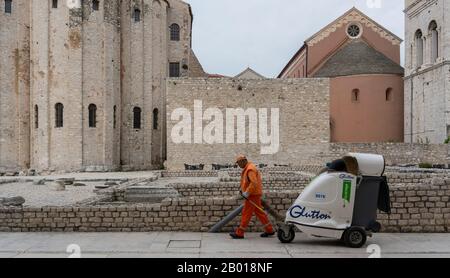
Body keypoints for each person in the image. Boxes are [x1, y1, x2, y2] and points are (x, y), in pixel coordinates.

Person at [229, 155, 275, 239]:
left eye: (238, 163)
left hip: (252, 195)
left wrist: (247, 192)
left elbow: (254, 183)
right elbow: (246, 181)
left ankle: (240, 233)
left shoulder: (250, 169)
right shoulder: (248, 168)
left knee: (246, 213)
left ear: (243, 161)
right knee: (260, 213)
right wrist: (242, 190)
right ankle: (269, 230)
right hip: (254, 195)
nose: (238, 165)